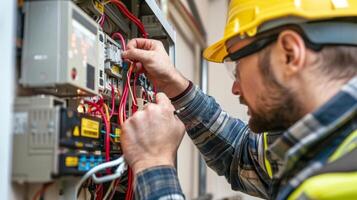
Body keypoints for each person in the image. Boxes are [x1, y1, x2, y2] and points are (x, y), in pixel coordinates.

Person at [121, 0, 357, 199]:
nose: (235, 87)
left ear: (289, 54)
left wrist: (154, 164)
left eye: (237, 66)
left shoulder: (338, 186)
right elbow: (242, 156)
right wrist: (176, 86)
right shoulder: (329, 142)